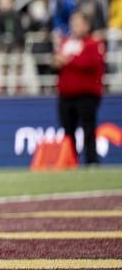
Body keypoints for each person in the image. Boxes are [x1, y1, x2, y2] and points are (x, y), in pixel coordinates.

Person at [52, 10, 105, 166]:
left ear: (86, 25)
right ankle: (70, 161)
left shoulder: (93, 43)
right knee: (68, 131)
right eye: (72, 23)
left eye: (78, 23)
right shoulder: (66, 42)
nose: (74, 26)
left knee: (89, 130)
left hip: (86, 94)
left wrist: (68, 59)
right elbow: (58, 64)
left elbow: (90, 63)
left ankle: (91, 161)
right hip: (66, 95)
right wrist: (57, 62)